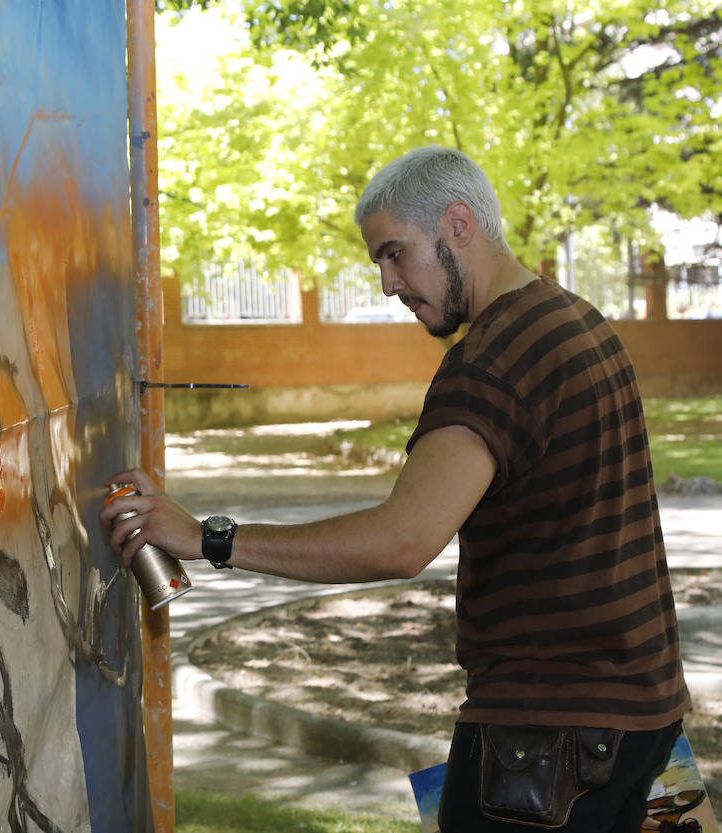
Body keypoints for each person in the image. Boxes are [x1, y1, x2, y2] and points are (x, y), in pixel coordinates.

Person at [100, 145, 690, 831]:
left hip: (549, 745)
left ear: (459, 225)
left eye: (395, 253)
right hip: (646, 722)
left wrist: (209, 538)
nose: (386, 283)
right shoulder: (578, 323)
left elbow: (401, 541)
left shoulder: (491, 362)